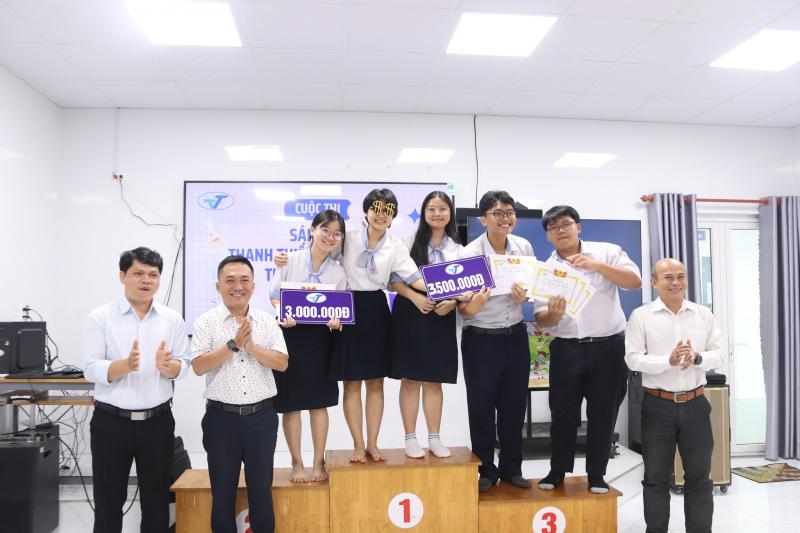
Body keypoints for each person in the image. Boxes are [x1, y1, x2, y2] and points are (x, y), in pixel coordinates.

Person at [534, 205, 642, 494]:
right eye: (553, 227)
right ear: (548, 236)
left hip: (609, 346)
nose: (560, 231)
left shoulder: (607, 251)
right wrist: (554, 314)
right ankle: (557, 470)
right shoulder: (546, 270)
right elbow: (542, 319)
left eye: (565, 224)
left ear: (578, 227)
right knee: (562, 414)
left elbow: (635, 282)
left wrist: (597, 266)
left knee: (603, 413)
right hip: (566, 348)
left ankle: (596, 474)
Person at [83, 247, 190, 533]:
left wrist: (170, 367)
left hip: (157, 423)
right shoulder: (100, 317)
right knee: (108, 501)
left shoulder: (172, 319)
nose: (146, 280)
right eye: (138, 273)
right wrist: (124, 366)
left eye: (153, 275)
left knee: (156, 501)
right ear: (123, 276)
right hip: (111, 423)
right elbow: (90, 368)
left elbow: (184, 365)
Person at [191, 255, 289, 533]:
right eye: (230, 280)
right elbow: (199, 366)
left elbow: (282, 363)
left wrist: (251, 347)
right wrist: (233, 345)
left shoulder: (267, 321)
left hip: (261, 419)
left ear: (253, 286)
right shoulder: (205, 322)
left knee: (261, 492)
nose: (238, 286)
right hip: (221, 420)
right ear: (218, 286)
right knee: (222, 495)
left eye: (244, 280)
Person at [625, 258, 721, 533]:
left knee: (700, 479)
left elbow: (719, 354)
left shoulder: (703, 314)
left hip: (696, 405)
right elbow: (633, 359)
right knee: (655, 478)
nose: (676, 282)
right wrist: (667, 361)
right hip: (658, 406)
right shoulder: (641, 316)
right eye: (668, 277)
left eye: (681, 276)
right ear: (654, 282)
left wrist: (697, 357)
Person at [334, 188, 427, 463]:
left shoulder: (395, 246)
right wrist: (286, 260)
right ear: (366, 211)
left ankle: (373, 444)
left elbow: (413, 277)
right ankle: (358, 445)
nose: (381, 214)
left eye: (388, 210)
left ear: (393, 216)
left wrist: (447, 289)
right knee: (351, 383)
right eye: (376, 208)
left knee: (375, 382)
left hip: (376, 308)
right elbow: (321, 251)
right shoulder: (348, 237)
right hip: (347, 307)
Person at [458, 190, 534, 493]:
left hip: (515, 336)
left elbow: (530, 287)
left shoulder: (523, 246)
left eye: (510, 213)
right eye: (498, 213)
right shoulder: (469, 254)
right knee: (481, 409)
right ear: (483, 219)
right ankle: (486, 470)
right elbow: (463, 309)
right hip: (481, 339)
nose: (505, 219)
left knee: (514, 406)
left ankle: (512, 468)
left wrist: (525, 296)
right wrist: (474, 304)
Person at [269, 210, 347, 482]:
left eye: (337, 233)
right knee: (291, 404)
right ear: (312, 230)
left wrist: (337, 321)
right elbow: (274, 297)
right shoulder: (289, 260)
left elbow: (341, 309)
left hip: (320, 341)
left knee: (318, 403)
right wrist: (282, 313)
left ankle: (318, 463)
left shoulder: (338, 271)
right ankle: (297, 463)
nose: (330, 237)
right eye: (325, 230)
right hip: (290, 337)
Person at [389, 191, 462, 459]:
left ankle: (434, 438)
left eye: (443, 208)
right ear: (423, 212)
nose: (437, 214)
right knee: (410, 379)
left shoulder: (459, 249)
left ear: (450, 213)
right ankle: (410, 438)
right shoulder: (406, 242)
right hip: (410, 313)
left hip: (441, 317)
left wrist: (452, 303)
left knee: (434, 380)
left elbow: (465, 286)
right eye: (431, 209)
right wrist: (415, 297)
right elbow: (393, 280)